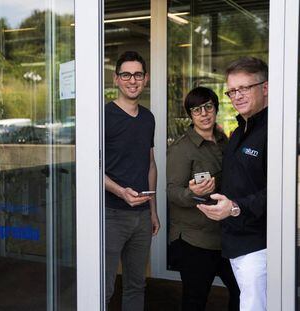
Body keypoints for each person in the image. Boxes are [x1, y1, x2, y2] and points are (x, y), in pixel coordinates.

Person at [197, 57, 268, 311]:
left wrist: (236, 207)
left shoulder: (276, 130)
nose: (236, 96)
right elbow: (240, 179)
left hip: (260, 246)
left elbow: (282, 191)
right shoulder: (238, 131)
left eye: (244, 88)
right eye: (232, 91)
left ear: (265, 88)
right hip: (234, 241)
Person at [167, 87, 240, 311]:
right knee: (195, 300)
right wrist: (193, 193)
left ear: (216, 109)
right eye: (196, 109)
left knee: (241, 291)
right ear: (190, 115)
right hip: (194, 240)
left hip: (224, 235)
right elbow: (171, 191)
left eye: (208, 106)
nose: (204, 113)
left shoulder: (224, 141)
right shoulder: (182, 149)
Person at [105, 51, 160, 311]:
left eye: (138, 74)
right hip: (110, 215)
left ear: (146, 78)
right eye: (126, 74)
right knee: (103, 288)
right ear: (116, 79)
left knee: (137, 285)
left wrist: (153, 210)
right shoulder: (103, 117)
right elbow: (90, 168)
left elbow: (150, 163)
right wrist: (119, 191)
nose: (132, 80)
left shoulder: (148, 118)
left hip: (140, 216)